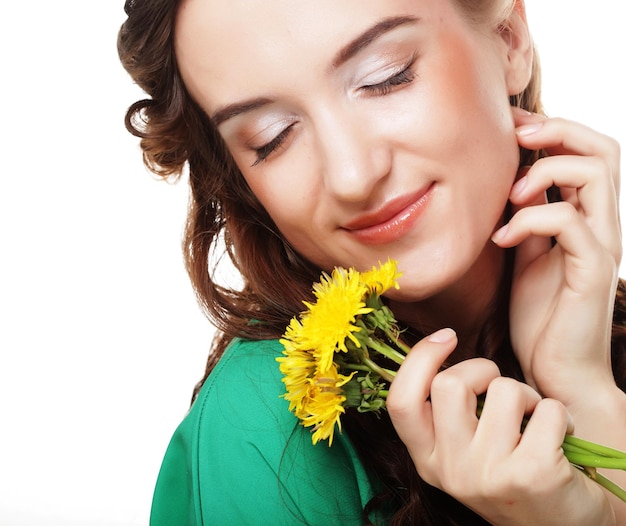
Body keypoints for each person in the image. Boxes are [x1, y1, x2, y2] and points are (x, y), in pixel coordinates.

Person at [118, 0, 626, 524]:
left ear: (509, 37)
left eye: (387, 77)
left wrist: (586, 393)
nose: (351, 176)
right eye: (272, 137)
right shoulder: (263, 433)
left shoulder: (596, 327)